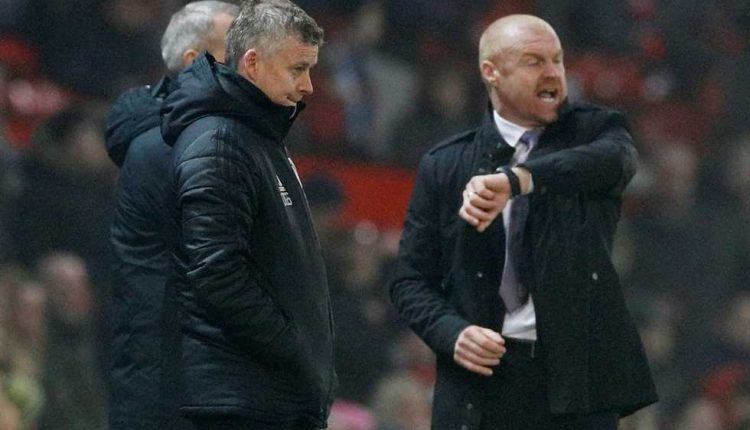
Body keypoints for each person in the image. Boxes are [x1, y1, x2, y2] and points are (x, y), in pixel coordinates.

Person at [389, 14, 657, 430]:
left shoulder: (595, 133)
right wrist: (451, 333)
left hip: (574, 387)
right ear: (491, 72)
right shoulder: (445, 164)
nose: (552, 72)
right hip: (480, 385)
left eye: (557, 60)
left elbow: (616, 161)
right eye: (534, 61)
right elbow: (409, 280)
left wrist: (519, 180)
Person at [160, 1, 334, 429]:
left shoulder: (257, 137)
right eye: (298, 69)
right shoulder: (219, 142)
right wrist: (294, 348)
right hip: (240, 402)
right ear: (252, 63)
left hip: (266, 397)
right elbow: (217, 272)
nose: (309, 86)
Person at [104, 2, 238, 429]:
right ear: (193, 61)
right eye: (235, 49)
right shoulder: (173, 146)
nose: (250, 62)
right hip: (169, 374)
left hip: (176, 366)